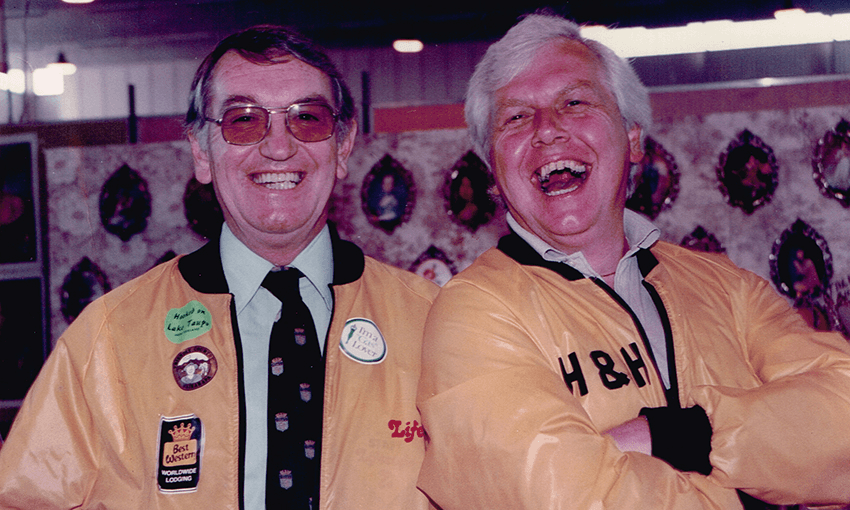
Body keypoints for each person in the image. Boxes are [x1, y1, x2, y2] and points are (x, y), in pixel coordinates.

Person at [416, 13, 850, 510]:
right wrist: (767, 476)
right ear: (492, 169)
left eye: (574, 102)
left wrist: (675, 435)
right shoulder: (473, 314)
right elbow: (561, 500)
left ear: (634, 138)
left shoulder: (726, 288)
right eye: (515, 117)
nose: (547, 130)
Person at [0, 25, 438, 510]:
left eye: (308, 118)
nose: (278, 146)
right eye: (243, 119)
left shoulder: (433, 326)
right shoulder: (110, 339)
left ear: (343, 144)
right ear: (200, 150)